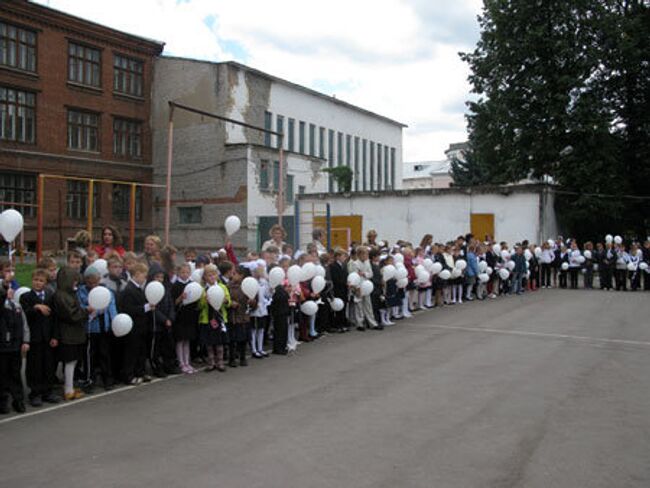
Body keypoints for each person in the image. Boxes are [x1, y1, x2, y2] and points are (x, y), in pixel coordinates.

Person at [20, 268, 59, 406]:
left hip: (48, 338)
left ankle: (47, 391)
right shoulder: (26, 297)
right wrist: (36, 307)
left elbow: (54, 318)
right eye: (35, 280)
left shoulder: (50, 296)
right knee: (34, 366)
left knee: (48, 365)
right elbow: (24, 316)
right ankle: (35, 392)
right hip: (34, 338)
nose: (37, 283)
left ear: (46, 283)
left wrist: (55, 336)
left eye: (41, 280)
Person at [77, 266, 118, 392]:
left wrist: (115, 322)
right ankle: (89, 379)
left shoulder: (107, 292)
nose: (93, 285)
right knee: (90, 356)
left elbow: (112, 308)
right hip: (90, 329)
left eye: (95, 282)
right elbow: (81, 306)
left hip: (103, 328)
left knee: (105, 354)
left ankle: (108, 379)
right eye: (90, 283)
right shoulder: (81, 292)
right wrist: (90, 310)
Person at [52, 267, 89, 401]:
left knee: (73, 362)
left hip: (74, 334)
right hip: (68, 334)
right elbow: (71, 315)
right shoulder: (61, 296)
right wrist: (86, 312)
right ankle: (68, 389)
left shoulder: (68, 294)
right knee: (70, 361)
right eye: (74, 280)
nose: (76, 283)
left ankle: (70, 386)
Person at [120, 262, 151, 385]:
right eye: (144, 275)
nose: (145, 278)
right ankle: (129, 375)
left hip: (141, 326)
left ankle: (140, 372)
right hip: (133, 326)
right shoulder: (129, 290)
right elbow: (129, 309)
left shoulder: (138, 288)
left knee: (141, 351)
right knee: (131, 352)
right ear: (137, 274)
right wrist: (146, 307)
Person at [0, 281, 29, 413]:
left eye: (11, 288)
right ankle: (3, 401)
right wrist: (4, 291)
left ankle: (18, 400)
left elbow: (24, 326)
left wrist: (25, 341)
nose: (10, 291)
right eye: (7, 290)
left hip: (16, 347)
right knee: (2, 375)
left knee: (15, 375)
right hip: (2, 348)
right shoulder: (2, 307)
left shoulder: (17, 307)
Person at [147, 263, 179, 377]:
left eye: (161, 277)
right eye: (157, 277)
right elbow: (153, 308)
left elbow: (171, 304)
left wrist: (170, 317)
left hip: (167, 323)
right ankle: (157, 368)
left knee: (168, 346)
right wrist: (164, 319)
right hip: (157, 324)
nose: (160, 279)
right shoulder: (149, 289)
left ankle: (169, 366)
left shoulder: (166, 289)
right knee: (156, 348)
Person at [198, 264, 227, 372]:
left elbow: (228, 302)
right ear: (205, 277)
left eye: (214, 275)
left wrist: (224, 300)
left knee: (219, 342)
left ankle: (220, 362)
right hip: (207, 319)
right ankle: (211, 362)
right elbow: (199, 306)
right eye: (209, 275)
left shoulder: (222, 287)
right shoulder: (203, 289)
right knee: (209, 343)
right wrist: (204, 301)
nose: (212, 277)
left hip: (219, 319)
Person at [171, 264, 199, 374]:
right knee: (180, 340)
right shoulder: (175, 286)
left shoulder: (192, 284)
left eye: (187, 272)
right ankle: (181, 362)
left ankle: (187, 362)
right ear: (178, 273)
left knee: (187, 340)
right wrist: (180, 298)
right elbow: (174, 302)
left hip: (190, 316)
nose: (185, 274)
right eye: (183, 272)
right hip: (180, 317)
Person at [227, 266, 256, 367]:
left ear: (241, 275)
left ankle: (243, 358)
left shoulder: (248, 285)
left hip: (244, 315)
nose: (232, 275)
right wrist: (231, 303)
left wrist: (252, 302)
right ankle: (232, 359)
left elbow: (254, 303)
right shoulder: (229, 286)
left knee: (243, 338)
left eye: (235, 273)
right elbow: (225, 299)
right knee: (232, 339)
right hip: (233, 315)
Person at [249, 264, 271, 358]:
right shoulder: (250, 282)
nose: (261, 272)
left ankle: (260, 348)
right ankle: (254, 349)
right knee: (254, 330)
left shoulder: (263, 281)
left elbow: (267, 294)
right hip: (254, 310)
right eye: (259, 270)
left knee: (261, 329)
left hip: (262, 309)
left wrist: (271, 289)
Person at [268, 269, 290, 355]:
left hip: (281, 312)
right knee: (280, 331)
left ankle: (281, 347)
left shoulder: (279, 288)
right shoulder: (277, 289)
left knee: (282, 331)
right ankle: (278, 348)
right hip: (279, 313)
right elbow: (281, 298)